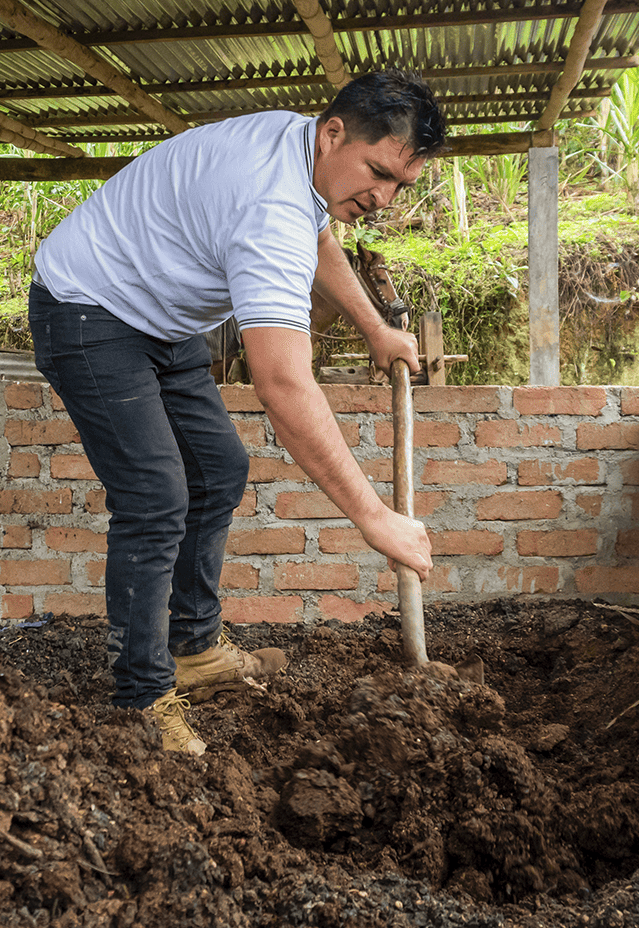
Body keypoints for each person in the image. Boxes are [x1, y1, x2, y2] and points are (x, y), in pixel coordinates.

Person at [29, 70, 445, 754]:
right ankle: (140, 699)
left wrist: (374, 328)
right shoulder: (269, 204)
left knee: (218, 468)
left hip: (154, 318)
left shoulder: (305, 156)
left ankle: (191, 648)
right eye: (376, 173)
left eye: (399, 184)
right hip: (86, 309)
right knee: (155, 496)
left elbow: (319, 241)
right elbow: (282, 384)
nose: (383, 197)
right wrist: (374, 518)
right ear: (334, 133)